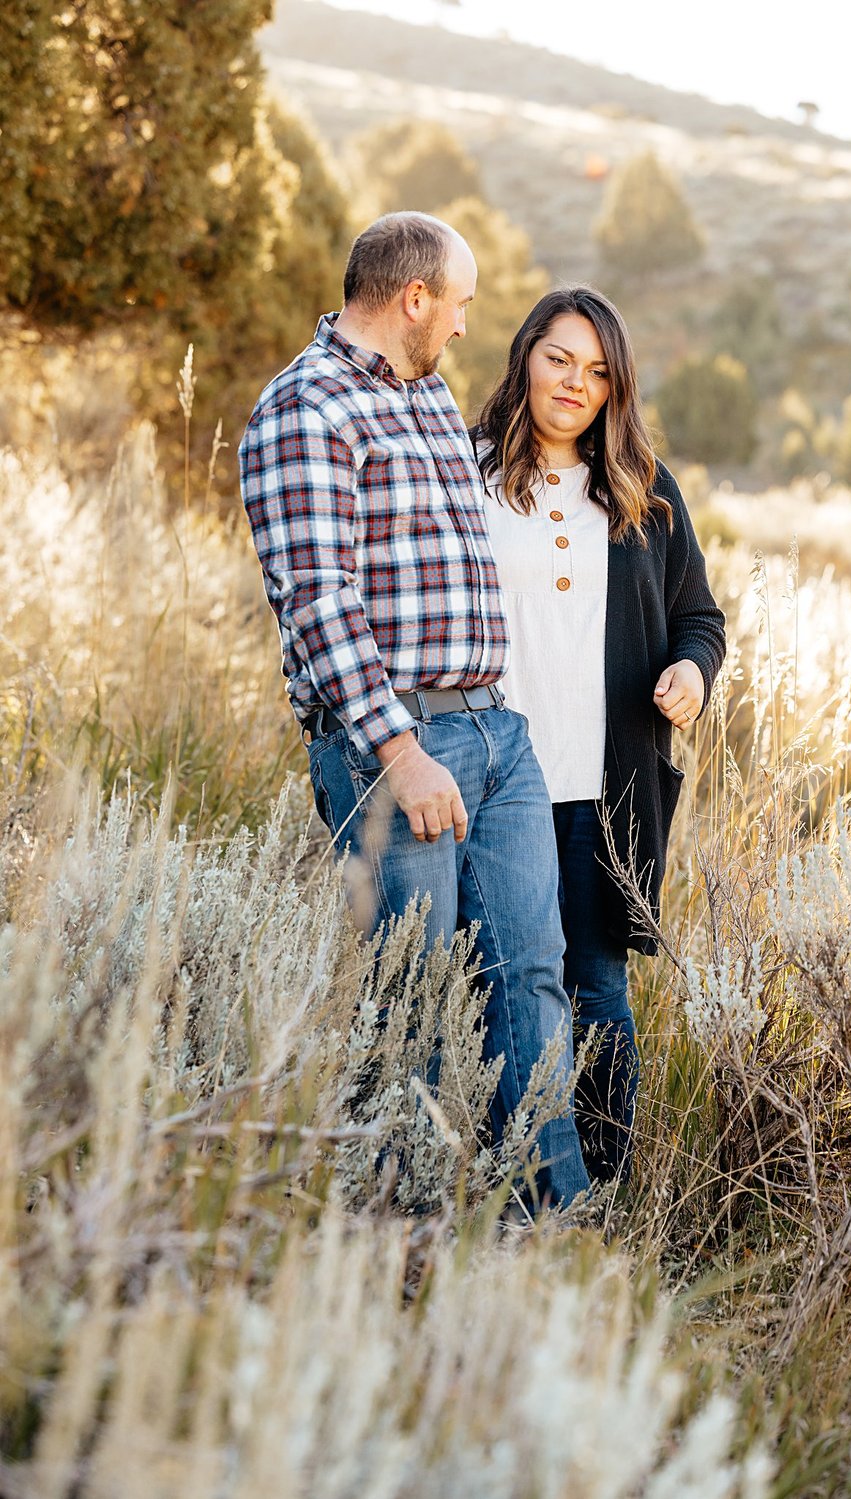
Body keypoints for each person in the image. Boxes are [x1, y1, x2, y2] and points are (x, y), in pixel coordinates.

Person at [238, 213, 589, 1209]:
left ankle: (548, 1219)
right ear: (416, 298)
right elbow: (317, 601)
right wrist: (399, 751)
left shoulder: (426, 393)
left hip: (494, 732)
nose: (470, 328)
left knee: (531, 976)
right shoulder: (303, 411)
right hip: (400, 745)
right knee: (416, 997)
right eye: (464, 304)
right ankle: (410, 1236)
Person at [475, 286, 726, 1183]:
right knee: (498, 984)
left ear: (616, 385)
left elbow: (700, 616)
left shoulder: (643, 491)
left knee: (597, 987)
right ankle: (504, 1177)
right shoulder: (466, 477)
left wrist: (691, 671)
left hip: (607, 783)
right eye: (559, 359)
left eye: (597, 370)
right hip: (495, 779)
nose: (575, 383)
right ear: (525, 357)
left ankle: (605, 1187)